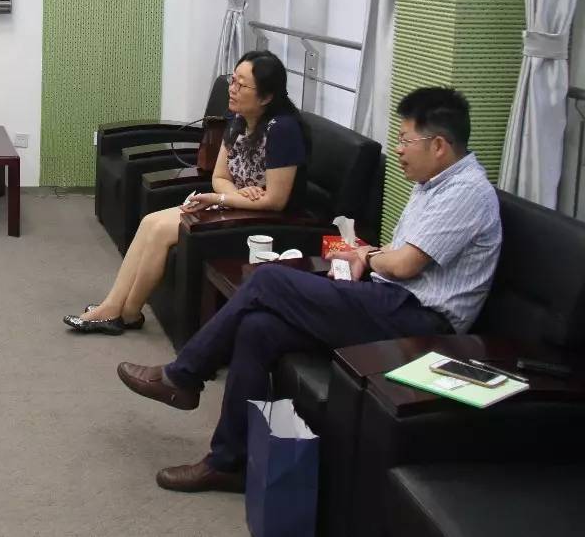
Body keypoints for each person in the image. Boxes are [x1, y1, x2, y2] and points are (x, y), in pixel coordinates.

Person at [116, 87, 500, 493]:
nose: (400, 150)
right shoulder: (432, 185)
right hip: (388, 299)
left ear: (438, 145)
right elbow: (399, 254)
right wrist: (368, 255)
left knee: (267, 280)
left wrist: (369, 256)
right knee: (258, 328)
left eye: (406, 141)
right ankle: (228, 462)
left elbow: (405, 264)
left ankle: (184, 375)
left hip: (421, 323)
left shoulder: (465, 193)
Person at [65, 50, 307, 333]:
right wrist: (235, 196)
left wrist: (223, 199)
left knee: (161, 231)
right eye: (233, 80)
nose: (232, 89)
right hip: (237, 205)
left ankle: (124, 312)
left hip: (263, 221)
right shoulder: (238, 119)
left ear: (266, 97)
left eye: (242, 85)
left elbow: (276, 200)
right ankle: (117, 308)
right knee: (150, 222)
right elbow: (220, 176)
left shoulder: (283, 131)